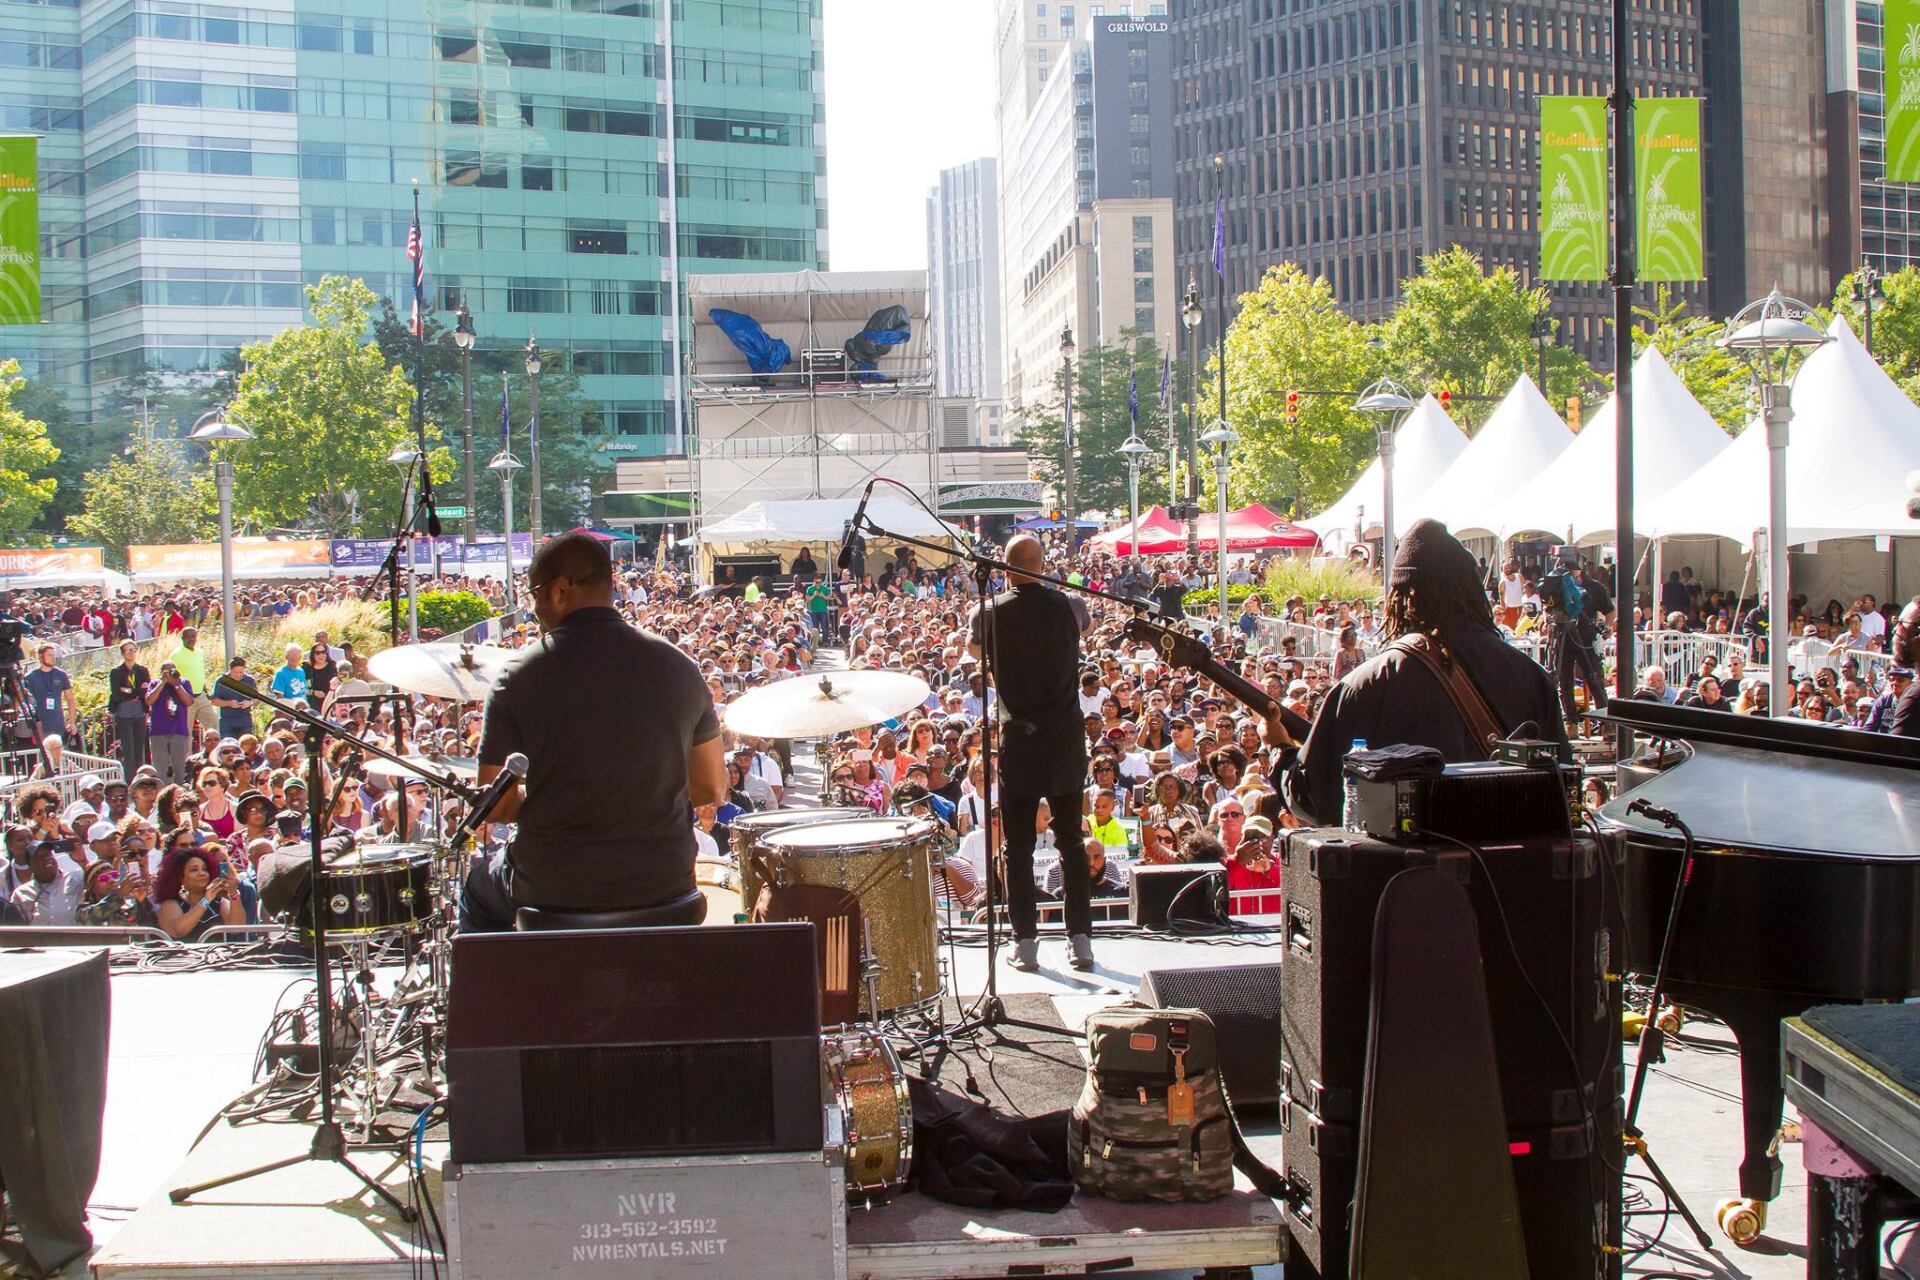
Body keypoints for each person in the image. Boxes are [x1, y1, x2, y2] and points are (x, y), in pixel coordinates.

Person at [460, 533, 726, 932]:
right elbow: (711, 789)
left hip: (554, 886)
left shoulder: (519, 676)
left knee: (476, 889)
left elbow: (495, 807)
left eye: (533, 593)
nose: (532, 608)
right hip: (664, 880)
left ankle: (504, 995)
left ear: (561, 589)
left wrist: (557, 795)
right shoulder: (680, 667)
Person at [1267, 519, 1564, 825]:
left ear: (1403, 597)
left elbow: (1317, 800)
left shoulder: (1365, 685)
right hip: (1514, 865)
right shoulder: (1530, 675)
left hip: (1409, 870)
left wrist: (1280, 749)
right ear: (1472, 589)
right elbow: (1562, 786)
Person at [967, 534, 1095, 971]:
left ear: (1004, 570)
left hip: (1019, 739)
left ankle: (1026, 943)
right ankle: (1081, 940)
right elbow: (1085, 629)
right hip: (1064, 740)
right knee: (1072, 842)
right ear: (1045, 567)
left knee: (1017, 847)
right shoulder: (1071, 606)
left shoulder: (988, 612)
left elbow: (974, 651)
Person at [145, 659, 196, 786]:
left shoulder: (184, 682)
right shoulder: (155, 683)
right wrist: (162, 683)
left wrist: (176, 685)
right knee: (160, 768)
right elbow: (149, 700)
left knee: (179, 767)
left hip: (179, 731)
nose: (170, 674)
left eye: (172, 670)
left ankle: (179, 791)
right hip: (159, 731)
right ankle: (162, 792)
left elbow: (189, 701)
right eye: (166, 671)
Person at [108, 639, 152, 777]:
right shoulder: (116, 672)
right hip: (124, 713)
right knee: (128, 749)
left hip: (139, 712)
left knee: (139, 748)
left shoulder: (142, 671)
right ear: (123, 653)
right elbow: (117, 693)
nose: (132, 653)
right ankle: (129, 779)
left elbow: (146, 691)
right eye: (128, 650)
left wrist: (128, 691)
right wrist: (135, 691)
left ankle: (140, 777)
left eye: (134, 649)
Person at [23, 643, 75, 751]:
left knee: (60, 754)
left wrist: (71, 721)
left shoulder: (61, 674)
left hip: (58, 723)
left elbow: (70, 699)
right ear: (41, 657)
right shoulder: (30, 677)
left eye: (54, 655)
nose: (53, 658)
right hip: (41, 724)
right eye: (49, 655)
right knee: (45, 756)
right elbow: (25, 701)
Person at [168, 626, 218, 734]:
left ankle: (211, 750)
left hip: (201, 696)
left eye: (193, 636)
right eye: (188, 637)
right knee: (186, 733)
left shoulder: (199, 652)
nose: (191, 639)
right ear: (182, 638)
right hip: (185, 699)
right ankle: (187, 752)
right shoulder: (175, 655)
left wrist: (205, 690)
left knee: (214, 723)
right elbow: (169, 677)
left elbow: (199, 673)